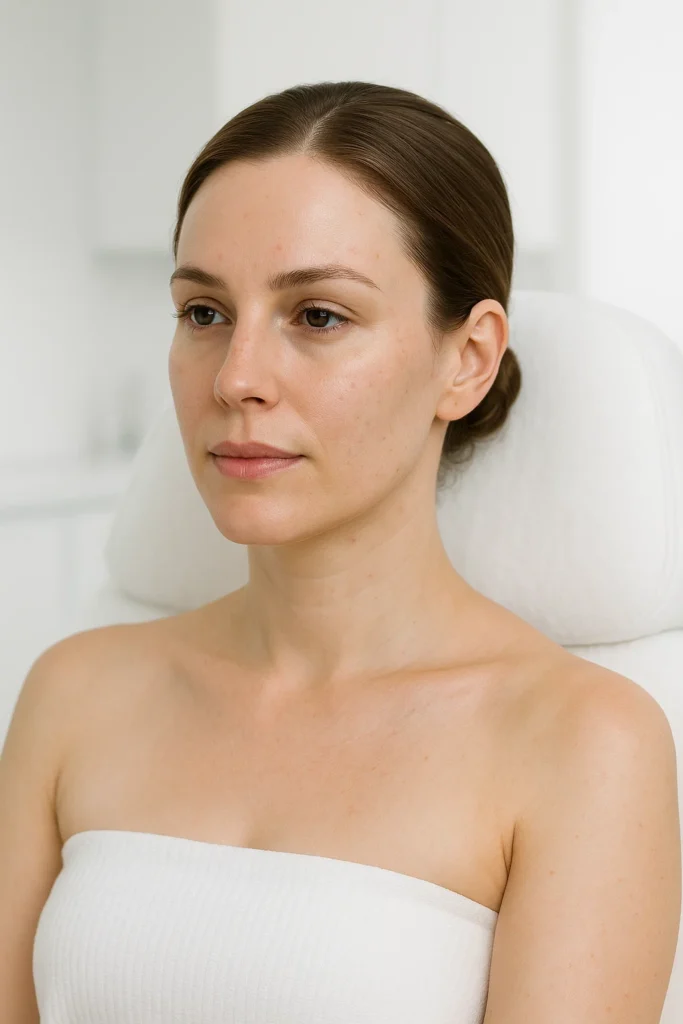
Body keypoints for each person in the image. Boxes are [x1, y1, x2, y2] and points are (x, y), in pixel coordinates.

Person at [3, 80, 679, 1024]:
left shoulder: (581, 742)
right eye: (203, 312)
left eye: (317, 315)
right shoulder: (73, 691)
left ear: (467, 359)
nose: (236, 377)